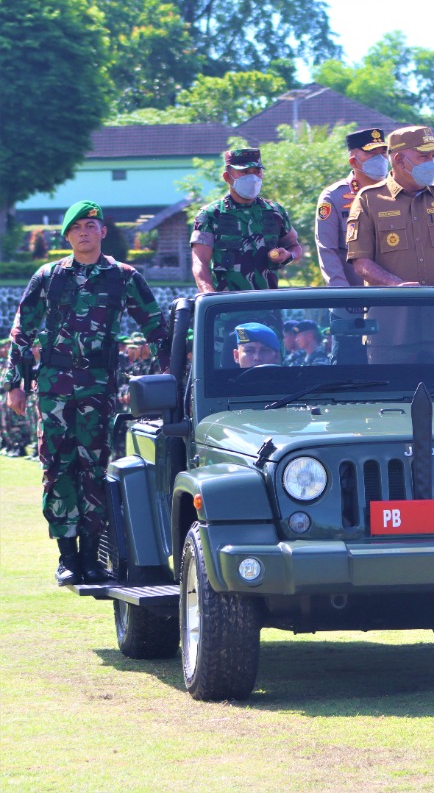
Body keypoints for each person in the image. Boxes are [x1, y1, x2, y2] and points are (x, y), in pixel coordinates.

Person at [5, 201, 168, 585]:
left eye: (90, 225)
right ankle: (67, 558)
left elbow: (155, 326)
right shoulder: (48, 276)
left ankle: (93, 557)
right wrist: (14, 384)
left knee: (93, 469)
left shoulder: (123, 276)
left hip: (97, 387)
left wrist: (169, 373)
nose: (84, 232)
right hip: (54, 388)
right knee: (56, 468)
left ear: (102, 232)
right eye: (76, 227)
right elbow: (22, 330)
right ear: (67, 236)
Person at [347, 126, 434, 289]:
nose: (431, 163)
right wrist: (397, 286)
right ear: (399, 160)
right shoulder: (368, 200)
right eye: (423, 156)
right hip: (391, 311)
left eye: (432, 156)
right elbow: (361, 262)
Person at [191, 148, 303, 292]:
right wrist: (209, 296)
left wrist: (288, 255)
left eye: (256, 171)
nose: (252, 177)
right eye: (244, 172)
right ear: (227, 177)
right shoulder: (211, 215)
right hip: (227, 308)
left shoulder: (275, 212)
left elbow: (295, 247)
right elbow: (200, 262)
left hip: (268, 306)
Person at [315, 128, 389, 287]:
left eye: (383, 151)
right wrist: (342, 292)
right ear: (353, 161)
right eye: (371, 152)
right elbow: (328, 250)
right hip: (353, 297)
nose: (380, 158)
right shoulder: (333, 197)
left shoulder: (400, 193)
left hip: (395, 295)